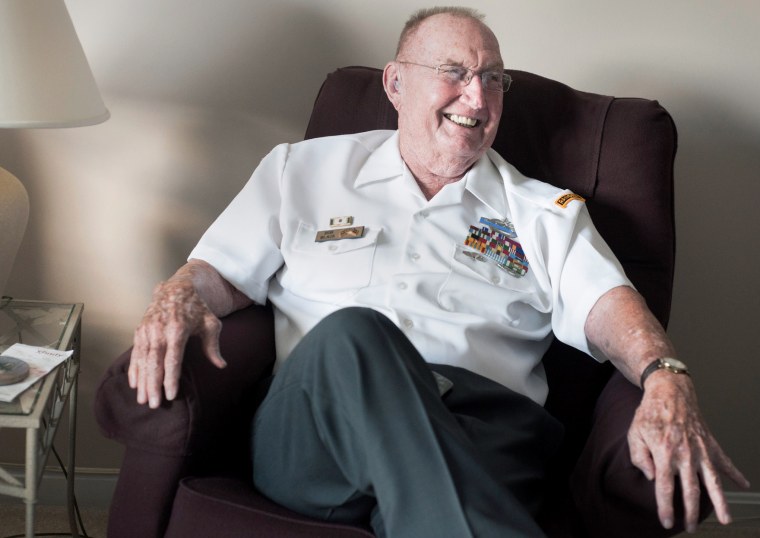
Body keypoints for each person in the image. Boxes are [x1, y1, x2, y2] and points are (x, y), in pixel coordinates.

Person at [128, 6, 748, 537]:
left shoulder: (545, 211)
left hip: (482, 428)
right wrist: (176, 290)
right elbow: (220, 273)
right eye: (454, 73)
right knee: (352, 334)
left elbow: (608, 305)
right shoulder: (302, 170)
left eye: (493, 80)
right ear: (396, 83)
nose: (477, 98)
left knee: (423, 435)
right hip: (316, 429)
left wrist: (666, 376)